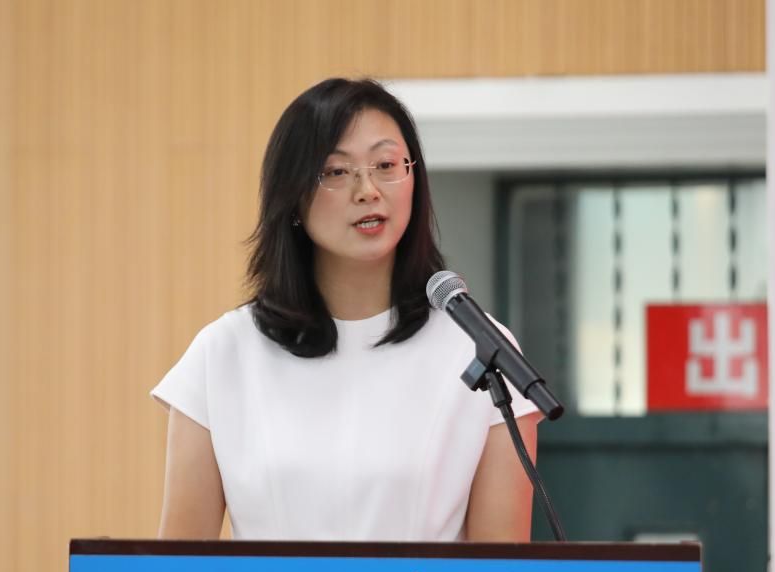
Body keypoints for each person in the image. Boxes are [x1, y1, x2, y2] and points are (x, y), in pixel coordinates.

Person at [152, 78, 540, 542]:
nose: (368, 189)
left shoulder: (480, 348)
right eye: (336, 171)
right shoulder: (223, 353)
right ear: (293, 197)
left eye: (386, 165)